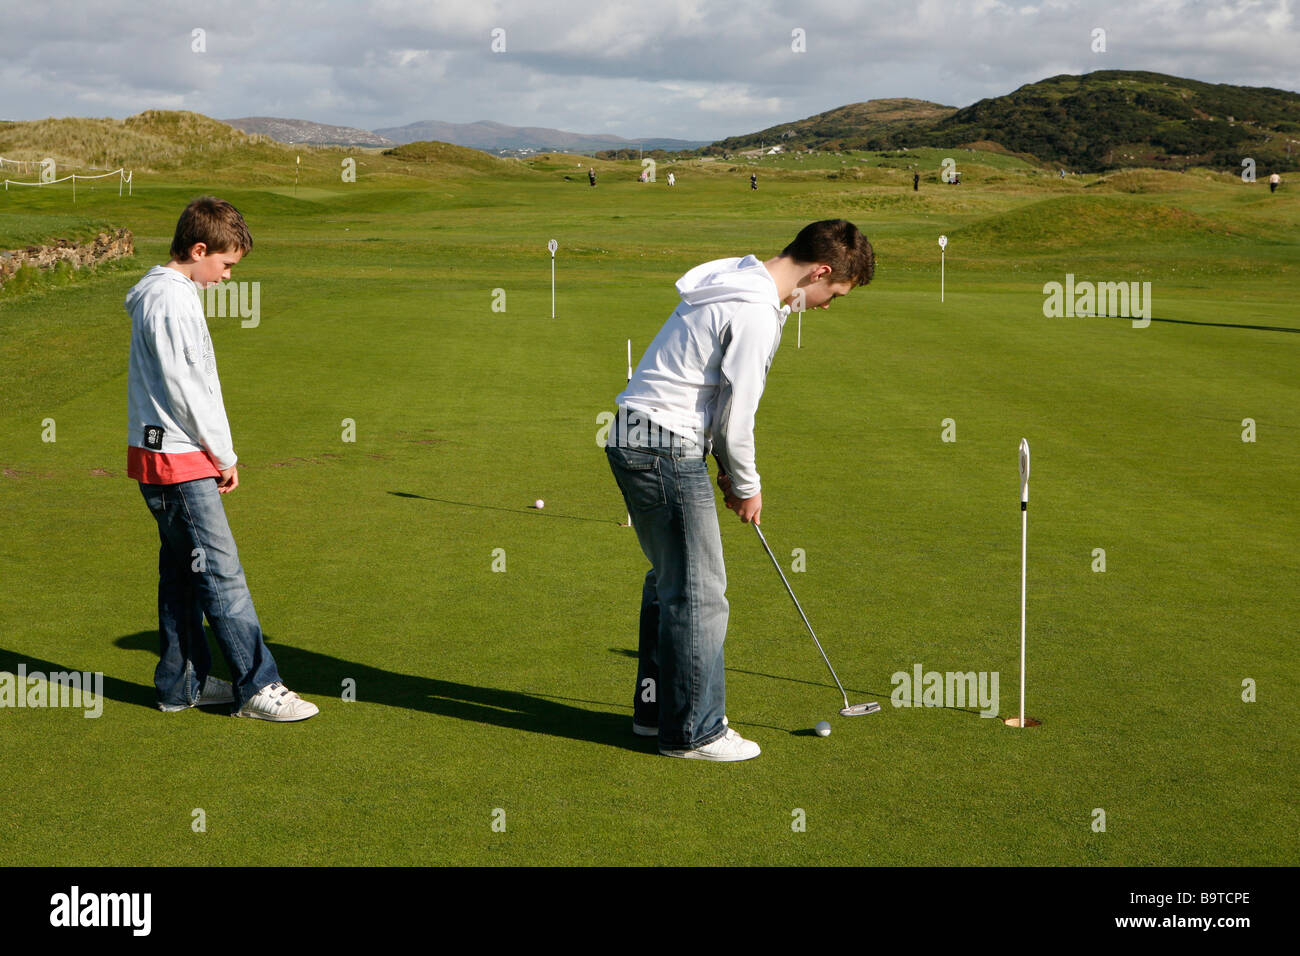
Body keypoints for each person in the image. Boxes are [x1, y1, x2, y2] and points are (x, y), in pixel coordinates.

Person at [605, 219, 875, 761]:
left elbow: (710, 396)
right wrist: (747, 486)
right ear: (820, 271)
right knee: (701, 594)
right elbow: (736, 420)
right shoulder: (756, 311)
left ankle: (656, 713)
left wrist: (723, 471)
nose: (825, 305)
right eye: (834, 294)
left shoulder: (737, 275)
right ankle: (696, 733)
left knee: (671, 582)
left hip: (633, 433)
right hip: (663, 444)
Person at [125, 196, 318, 722]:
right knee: (220, 572)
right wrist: (223, 454)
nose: (228, 277)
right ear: (199, 248)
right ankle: (258, 686)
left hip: (170, 455)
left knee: (184, 573)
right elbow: (186, 388)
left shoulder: (171, 294)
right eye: (226, 265)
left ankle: (181, 684)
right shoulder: (170, 300)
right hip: (178, 458)